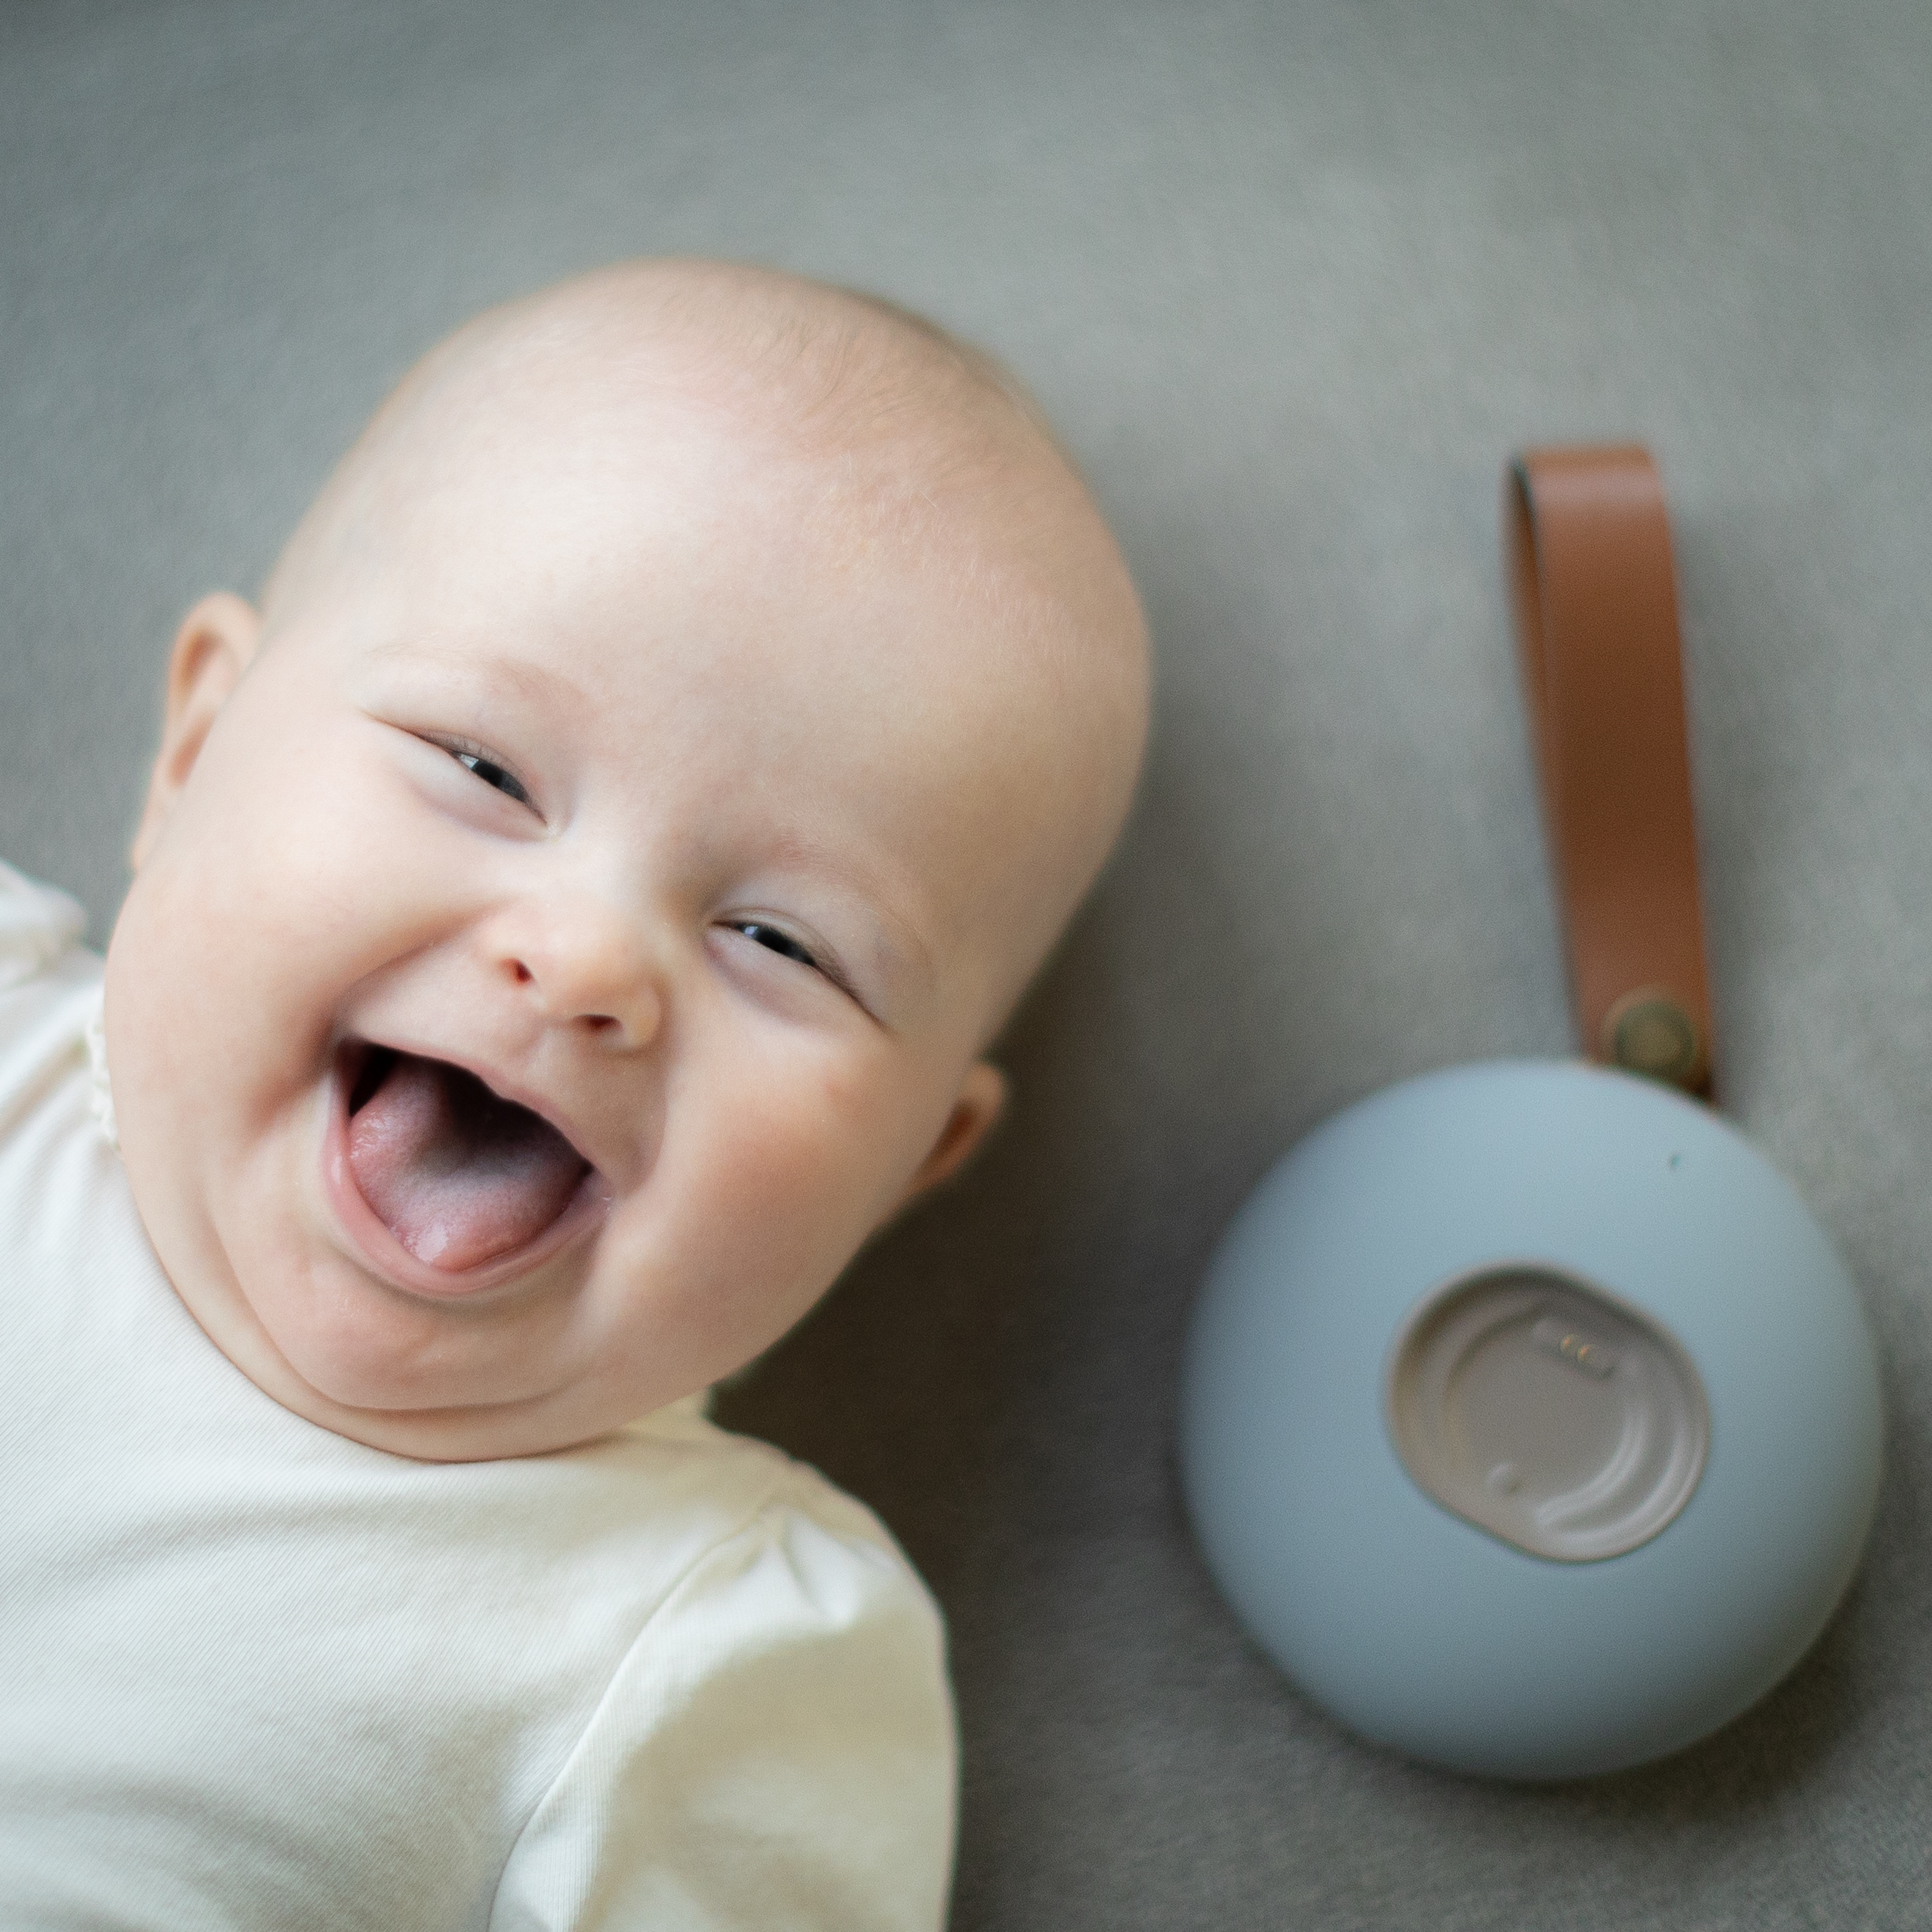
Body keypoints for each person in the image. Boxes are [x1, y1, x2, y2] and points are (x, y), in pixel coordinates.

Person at [0, 258, 1147, 1928]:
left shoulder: (706, 1639)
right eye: (485, 768)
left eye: (779, 939)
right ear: (194, 752)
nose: (589, 956)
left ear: (909, 1168)